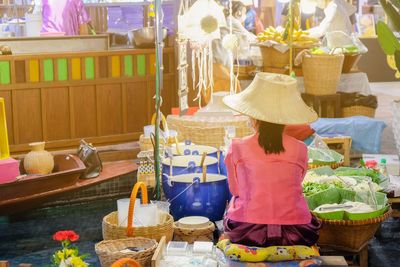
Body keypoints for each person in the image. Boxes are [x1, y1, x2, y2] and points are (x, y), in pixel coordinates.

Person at [222, 72, 321, 247]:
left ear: (253, 117)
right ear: (286, 119)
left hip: (247, 230)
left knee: (230, 207)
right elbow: (296, 185)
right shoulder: (300, 149)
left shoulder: (237, 147)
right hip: (296, 231)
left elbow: (235, 190)